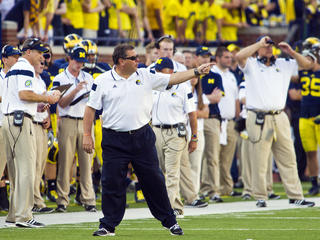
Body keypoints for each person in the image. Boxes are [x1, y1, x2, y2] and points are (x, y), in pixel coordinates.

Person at [82, 43, 213, 236]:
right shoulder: (101, 80)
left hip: (141, 136)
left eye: (137, 57)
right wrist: (87, 135)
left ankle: (170, 221)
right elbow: (90, 109)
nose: (138, 61)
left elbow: (172, 78)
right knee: (111, 182)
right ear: (120, 61)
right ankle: (108, 225)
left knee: (154, 180)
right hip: (114, 138)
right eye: (133, 58)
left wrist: (195, 72)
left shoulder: (144, 75)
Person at [235, 35, 315, 207]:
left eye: (271, 45)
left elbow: (308, 65)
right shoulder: (251, 65)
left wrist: (292, 52)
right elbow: (239, 57)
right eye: (265, 45)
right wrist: (258, 44)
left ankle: (295, 195)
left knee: (288, 156)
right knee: (260, 158)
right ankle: (261, 196)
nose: (269, 48)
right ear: (257, 48)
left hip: (279, 116)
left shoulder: (284, 64)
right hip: (259, 117)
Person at [2, 38, 60, 228]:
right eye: (37, 52)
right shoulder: (25, 66)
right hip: (20, 120)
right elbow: (24, 94)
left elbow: (19, 96)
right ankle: (24, 216)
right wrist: (48, 97)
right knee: (27, 169)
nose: (41, 56)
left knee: (16, 171)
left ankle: (14, 214)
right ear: (27, 52)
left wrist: (40, 103)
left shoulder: (16, 68)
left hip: (10, 119)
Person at [152, 57, 208, 219]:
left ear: (170, 71)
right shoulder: (154, 86)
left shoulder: (183, 88)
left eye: (159, 70)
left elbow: (192, 115)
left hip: (176, 133)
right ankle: (172, 202)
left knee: (172, 171)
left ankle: (174, 207)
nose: (156, 72)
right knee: (161, 171)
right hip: (156, 131)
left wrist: (195, 137)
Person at [52, 46, 96, 213]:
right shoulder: (59, 78)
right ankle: (62, 200)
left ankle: (88, 199)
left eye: (82, 62)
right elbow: (60, 103)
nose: (79, 65)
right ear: (69, 59)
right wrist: (76, 91)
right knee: (65, 162)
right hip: (68, 122)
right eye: (77, 61)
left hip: (85, 121)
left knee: (87, 163)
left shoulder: (89, 78)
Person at [0, 45, 21, 212]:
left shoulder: (16, 77)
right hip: (1, 124)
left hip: (14, 124)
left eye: (17, 56)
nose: (16, 59)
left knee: (14, 168)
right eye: (13, 56)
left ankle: (12, 203)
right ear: (4, 59)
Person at [32, 57, 54, 214]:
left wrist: (47, 117)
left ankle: (36, 199)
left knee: (40, 165)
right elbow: (25, 101)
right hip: (31, 123)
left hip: (41, 125)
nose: (43, 65)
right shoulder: (29, 79)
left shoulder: (41, 80)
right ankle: (34, 201)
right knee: (31, 165)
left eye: (44, 63)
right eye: (40, 63)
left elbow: (43, 103)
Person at [298, 44, 320, 195]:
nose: (305, 61)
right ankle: (314, 183)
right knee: (310, 153)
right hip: (305, 116)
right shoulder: (302, 73)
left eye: (308, 59)